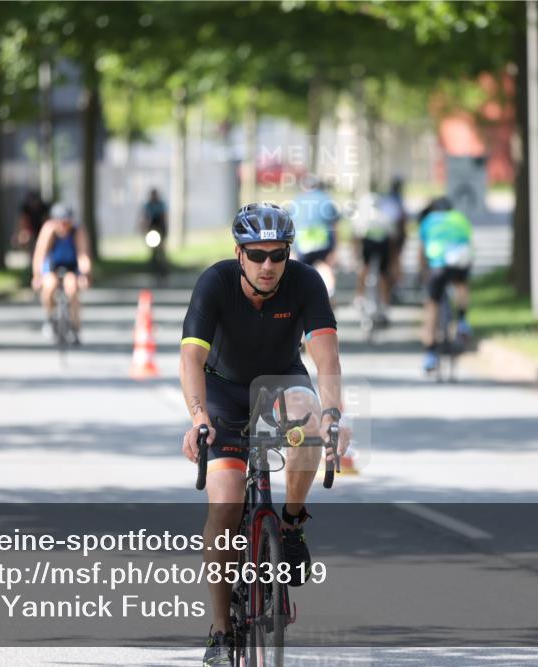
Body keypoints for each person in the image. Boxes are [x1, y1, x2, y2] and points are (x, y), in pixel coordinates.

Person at [179, 202, 351, 666]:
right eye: (257, 255)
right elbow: (191, 359)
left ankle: (292, 523)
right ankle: (220, 630)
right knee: (226, 504)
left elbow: (327, 359)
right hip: (223, 392)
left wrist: (334, 413)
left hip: (282, 381)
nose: (269, 265)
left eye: (278, 255)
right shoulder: (214, 283)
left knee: (310, 421)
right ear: (239, 254)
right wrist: (198, 416)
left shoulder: (306, 282)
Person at [418, 197, 474, 373]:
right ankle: (463, 321)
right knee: (461, 285)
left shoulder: (428, 220)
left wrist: (422, 272)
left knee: (432, 305)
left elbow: (421, 251)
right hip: (459, 261)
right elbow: (469, 243)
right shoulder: (460, 218)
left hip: (438, 265)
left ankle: (430, 354)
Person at [31, 203, 92, 345]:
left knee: (72, 288)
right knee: (49, 286)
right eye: (61, 222)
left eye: (67, 222)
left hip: (71, 265)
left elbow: (83, 256)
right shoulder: (49, 230)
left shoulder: (77, 231)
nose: (64, 226)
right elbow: (40, 255)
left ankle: (76, 328)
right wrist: (37, 276)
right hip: (52, 265)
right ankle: (50, 317)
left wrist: (85, 274)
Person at [288, 177, 339, 299]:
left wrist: (292, 248)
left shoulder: (297, 199)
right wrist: (335, 248)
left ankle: (297, 296)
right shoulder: (326, 198)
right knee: (324, 265)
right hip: (322, 238)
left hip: (302, 239)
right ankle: (329, 294)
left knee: (299, 268)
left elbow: (291, 224)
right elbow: (335, 225)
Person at [352, 192, 396, 320]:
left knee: (363, 268)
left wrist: (355, 254)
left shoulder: (361, 217)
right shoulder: (385, 216)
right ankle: (385, 303)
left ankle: (359, 297)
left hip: (368, 245)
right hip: (383, 246)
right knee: (383, 274)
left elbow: (356, 237)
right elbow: (392, 238)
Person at [139, 188, 169, 281]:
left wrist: (164, 231)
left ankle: (163, 269)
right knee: (153, 251)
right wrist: (144, 228)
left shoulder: (161, 204)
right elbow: (145, 218)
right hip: (151, 229)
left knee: (162, 250)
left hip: (160, 228)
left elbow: (164, 218)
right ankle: (154, 268)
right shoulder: (148, 205)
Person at [386, 176, 408, 299]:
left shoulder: (390, 199)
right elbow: (402, 218)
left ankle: (395, 285)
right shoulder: (397, 200)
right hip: (395, 235)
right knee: (395, 261)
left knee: (392, 262)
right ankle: (397, 285)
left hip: (391, 235)